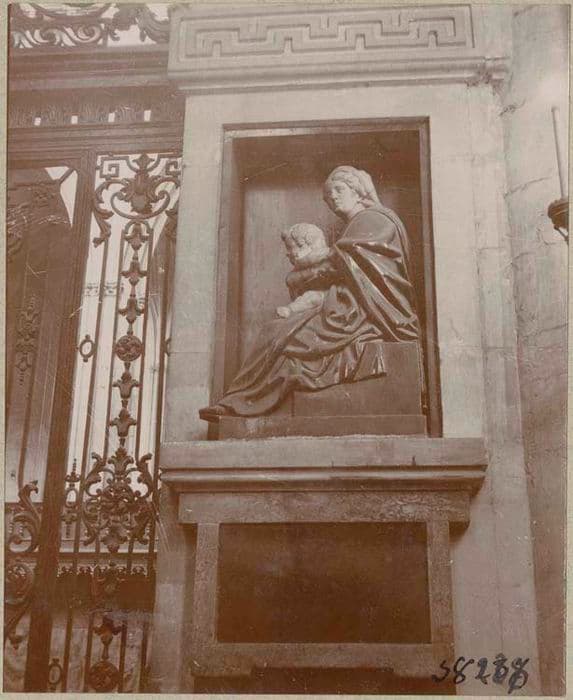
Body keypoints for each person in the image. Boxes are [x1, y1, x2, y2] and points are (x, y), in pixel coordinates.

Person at [199, 165, 420, 422]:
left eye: (339, 190)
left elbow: (347, 265)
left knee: (281, 333)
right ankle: (240, 400)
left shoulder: (372, 219)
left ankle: (243, 402)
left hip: (363, 311)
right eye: (328, 196)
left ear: (357, 191)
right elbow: (342, 263)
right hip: (350, 305)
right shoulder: (358, 224)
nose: (333, 198)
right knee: (279, 331)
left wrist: (304, 271)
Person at [276, 222, 332, 319]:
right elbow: (290, 279)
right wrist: (311, 273)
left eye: (290, 248)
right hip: (307, 295)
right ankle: (290, 310)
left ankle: (290, 310)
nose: (287, 253)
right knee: (309, 298)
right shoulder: (301, 268)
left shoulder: (326, 258)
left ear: (303, 246)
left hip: (325, 296)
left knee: (312, 297)